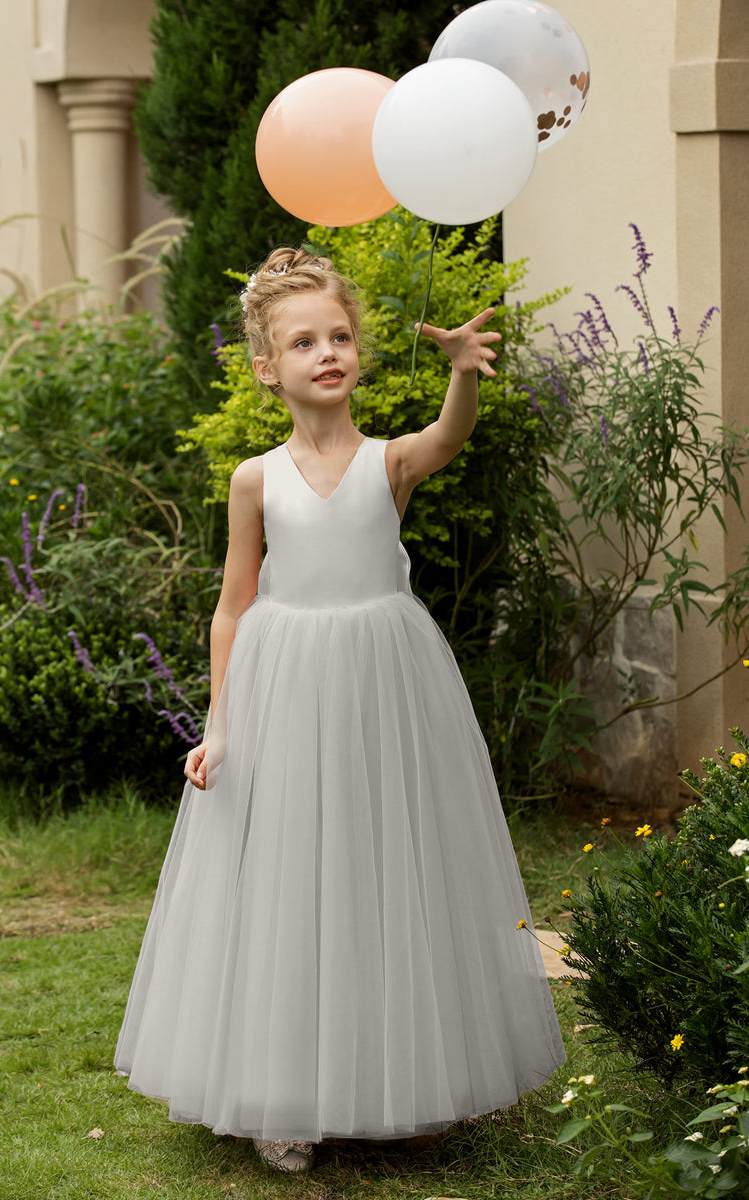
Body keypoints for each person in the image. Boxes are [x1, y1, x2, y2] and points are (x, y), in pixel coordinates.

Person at [114, 247, 566, 1174]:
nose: (328, 352)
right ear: (265, 367)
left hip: (383, 685)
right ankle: (284, 1090)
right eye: (304, 341)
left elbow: (449, 439)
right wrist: (221, 726)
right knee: (289, 878)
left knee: (388, 867)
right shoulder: (256, 479)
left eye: (342, 336)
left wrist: (459, 376)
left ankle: (405, 1074)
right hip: (283, 687)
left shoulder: (387, 462)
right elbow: (234, 605)